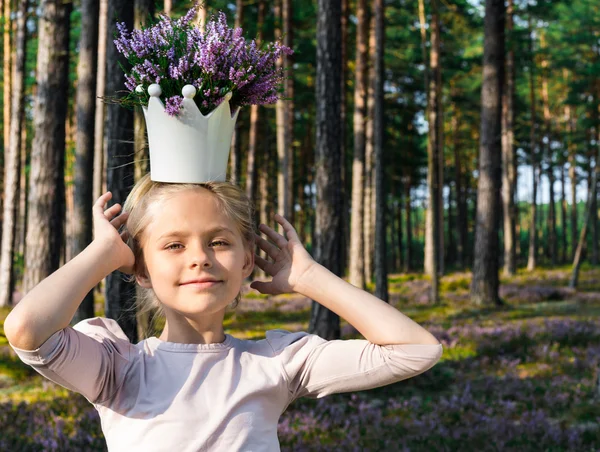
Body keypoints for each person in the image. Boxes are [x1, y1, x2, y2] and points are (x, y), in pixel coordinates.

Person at [5, 174, 442, 451]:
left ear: (248, 260)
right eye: (174, 245)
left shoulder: (277, 362)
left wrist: (310, 278)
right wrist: (102, 253)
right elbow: (26, 329)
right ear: (139, 266)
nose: (200, 258)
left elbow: (416, 351)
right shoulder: (116, 367)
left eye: (219, 241)